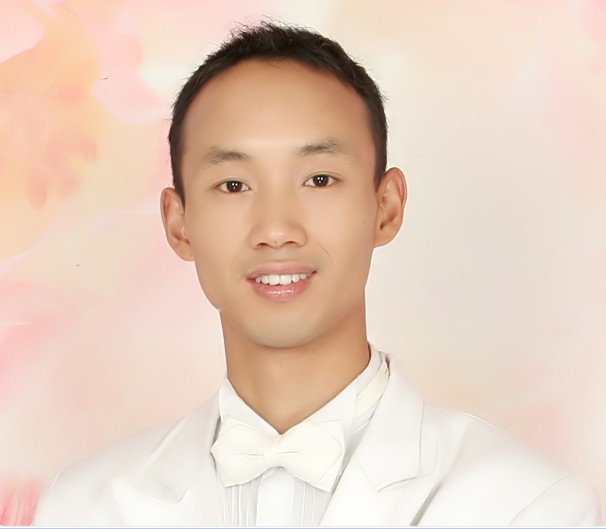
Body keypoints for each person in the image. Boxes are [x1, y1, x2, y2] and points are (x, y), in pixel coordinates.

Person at [33, 22, 600, 526]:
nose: (276, 229)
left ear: (386, 207)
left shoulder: (526, 507)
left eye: (319, 180)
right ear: (179, 224)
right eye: (234, 185)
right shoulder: (81, 509)